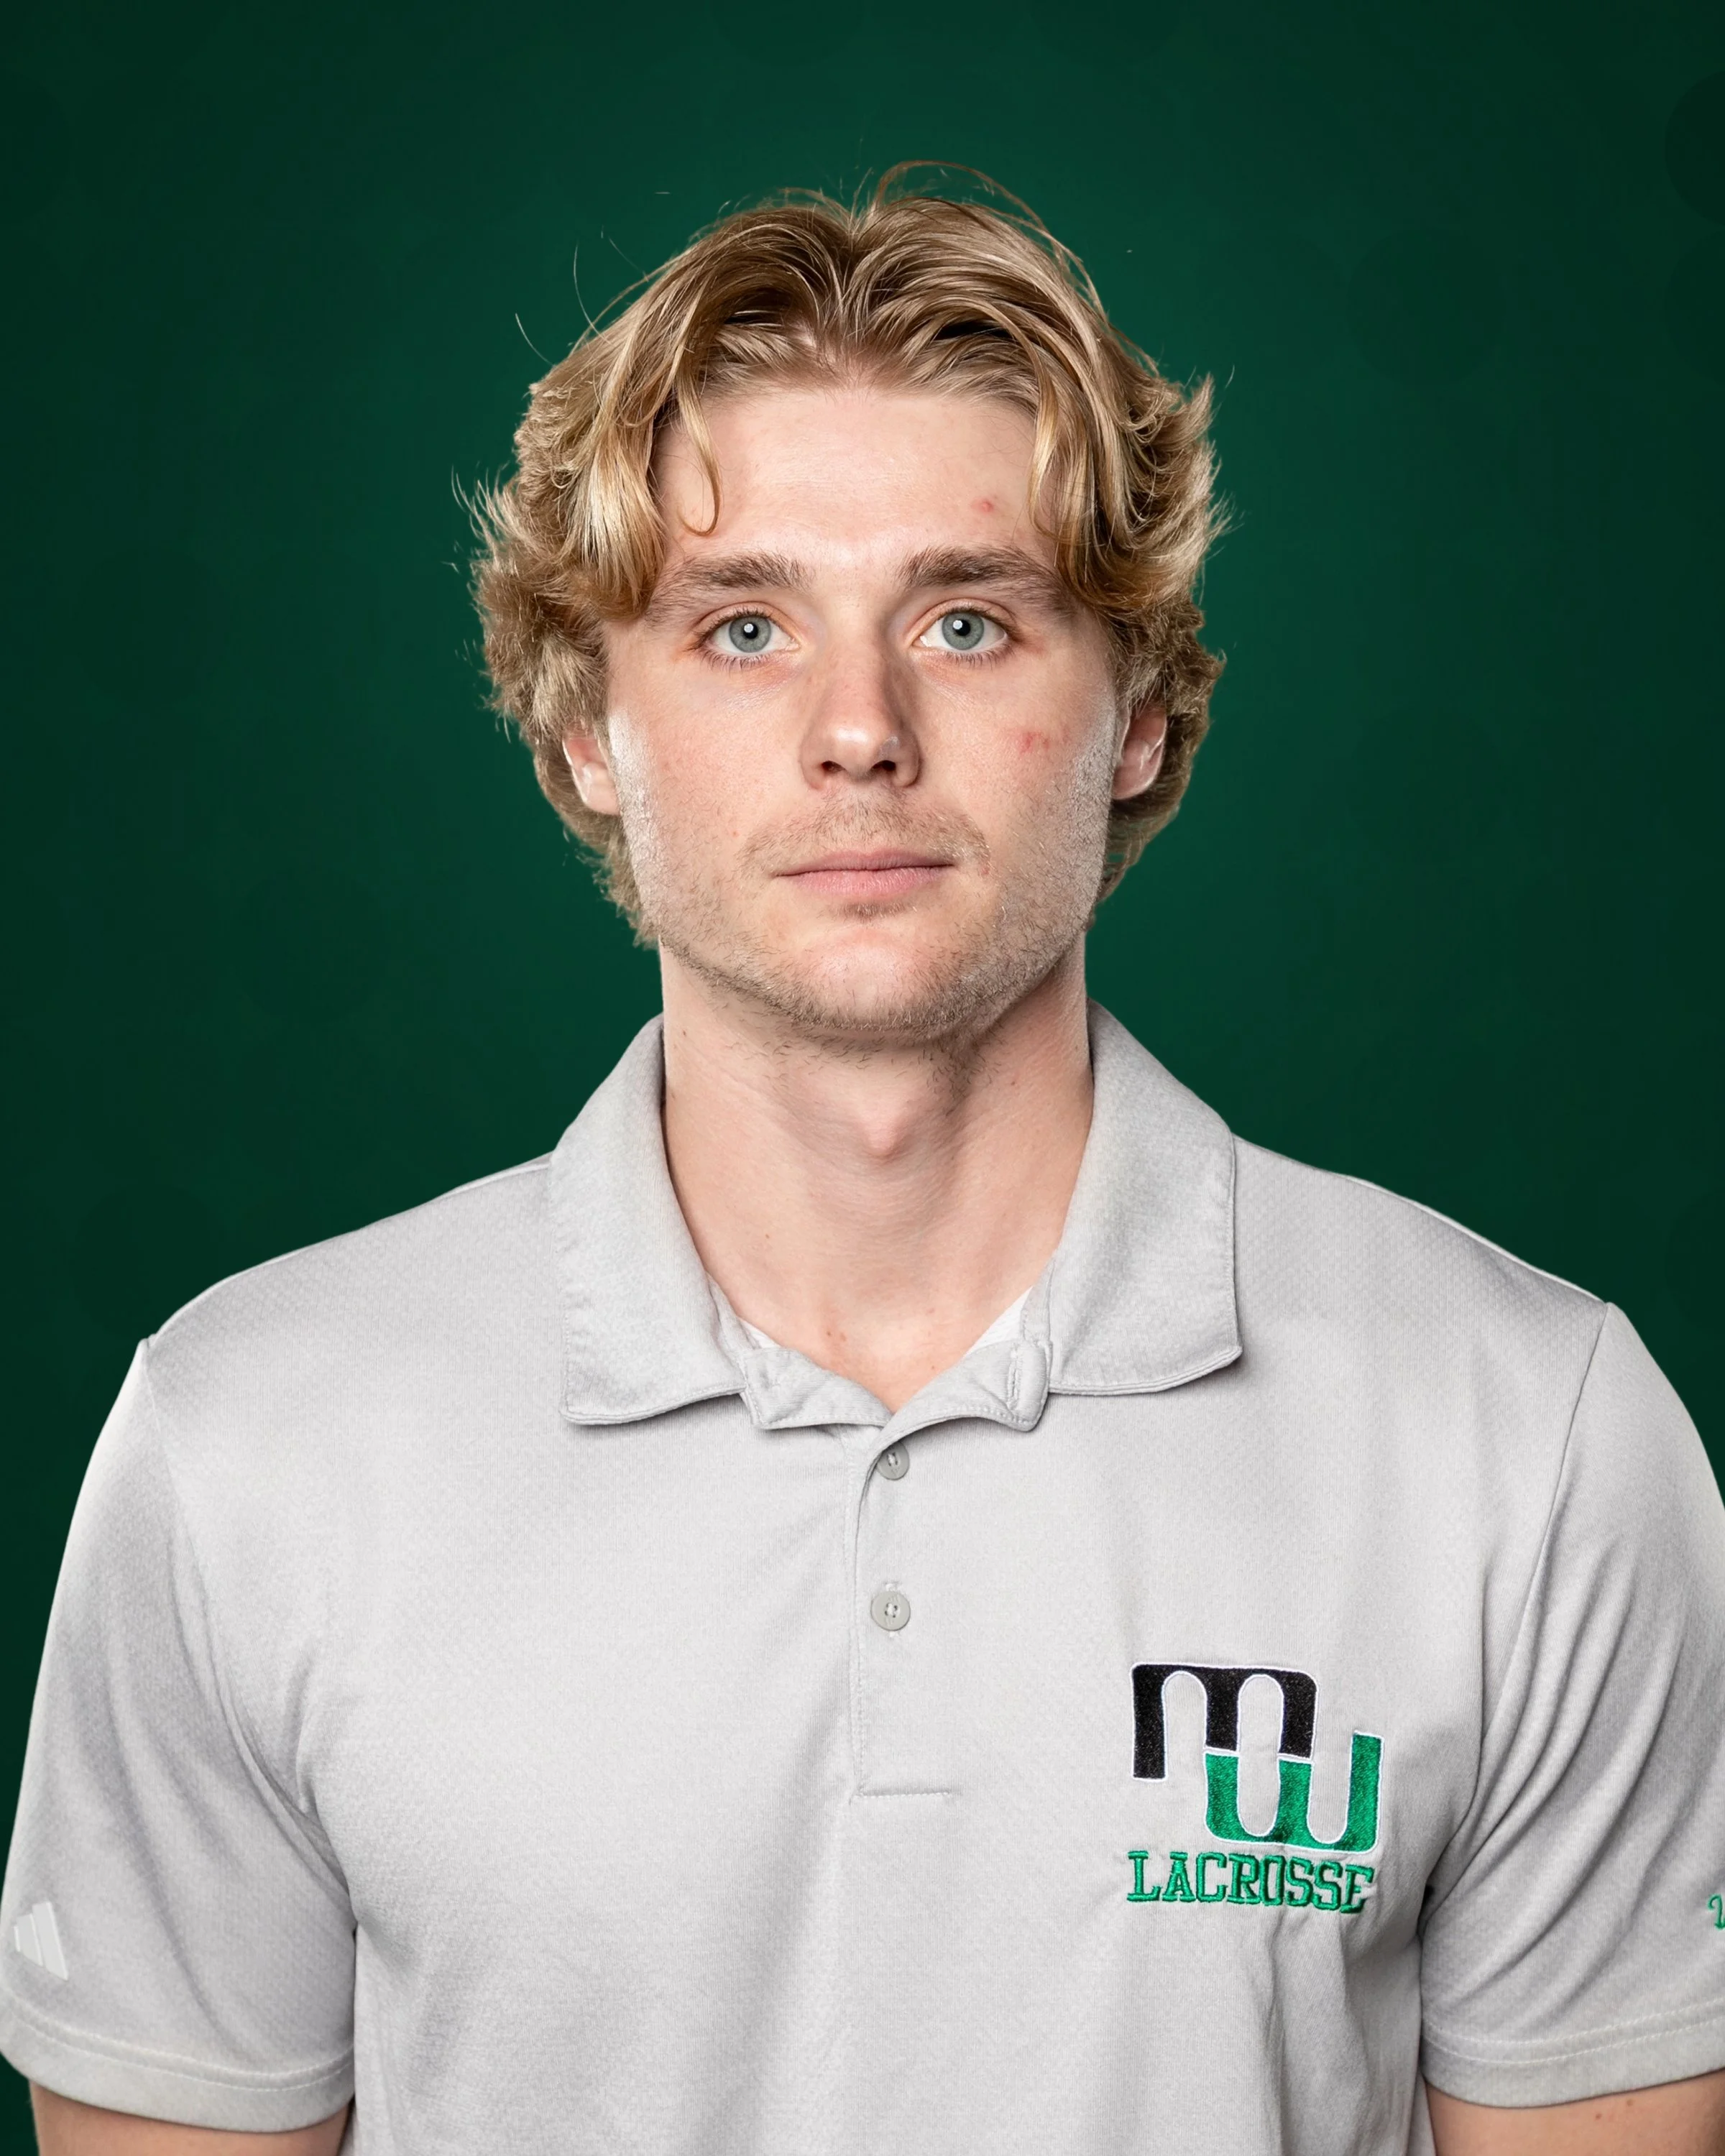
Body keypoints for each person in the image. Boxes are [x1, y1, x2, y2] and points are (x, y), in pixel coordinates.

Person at [4, 178, 1723, 2156]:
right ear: (584, 728)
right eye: (743, 627)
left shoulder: (1533, 1434)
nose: (859, 733)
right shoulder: (249, 1444)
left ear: (1141, 712)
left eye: (968, 621)